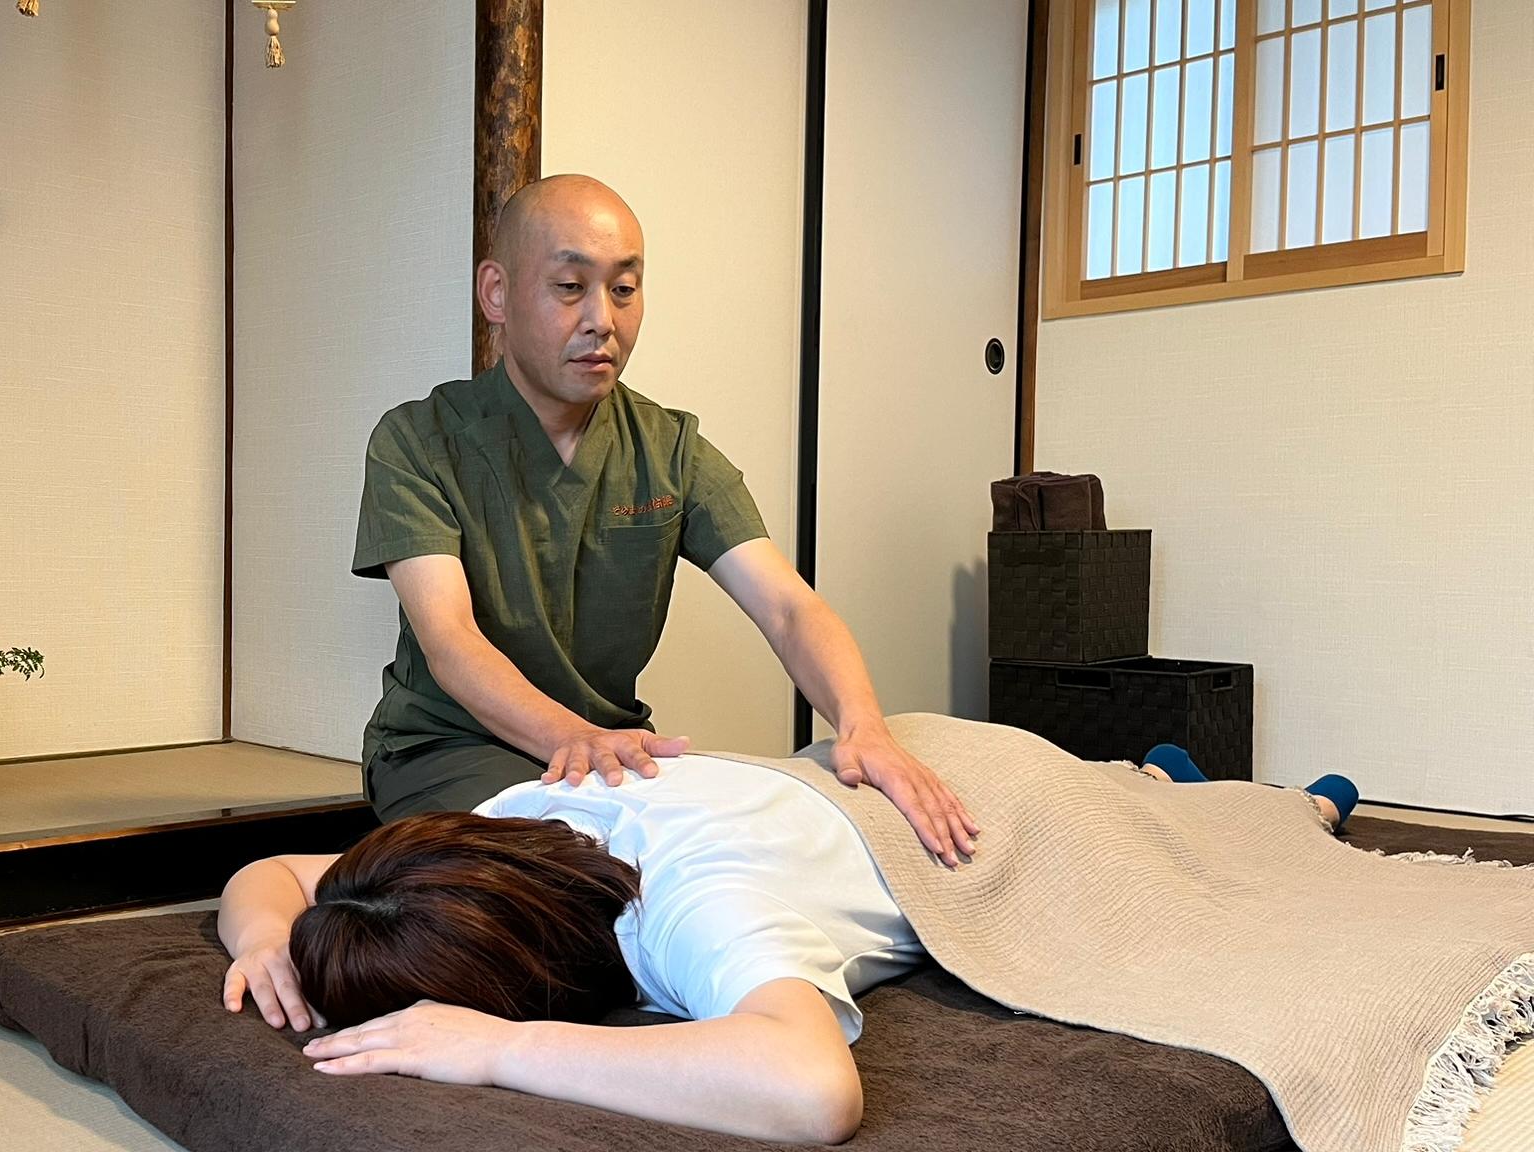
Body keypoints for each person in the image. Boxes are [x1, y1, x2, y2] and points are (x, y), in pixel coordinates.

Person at [217, 741, 1361, 1144]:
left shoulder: (695, 909)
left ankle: (1273, 801)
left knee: (1189, 844)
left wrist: (493, 1049)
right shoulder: (507, 830)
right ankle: (1154, 774)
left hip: (973, 807)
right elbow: (269, 874)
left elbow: (809, 1090)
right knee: (1128, 791)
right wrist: (272, 936)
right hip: (862, 765)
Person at [351, 174, 976, 868]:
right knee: (576, 871)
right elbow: (451, 642)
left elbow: (789, 607)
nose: (603, 320)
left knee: (755, 844)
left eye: (623, 290)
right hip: (452, 748)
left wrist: (865, 728)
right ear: (497, 293)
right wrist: (576, 740)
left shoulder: (669, 448)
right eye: (569, 288)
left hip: (610, 750)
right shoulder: (418, 440)